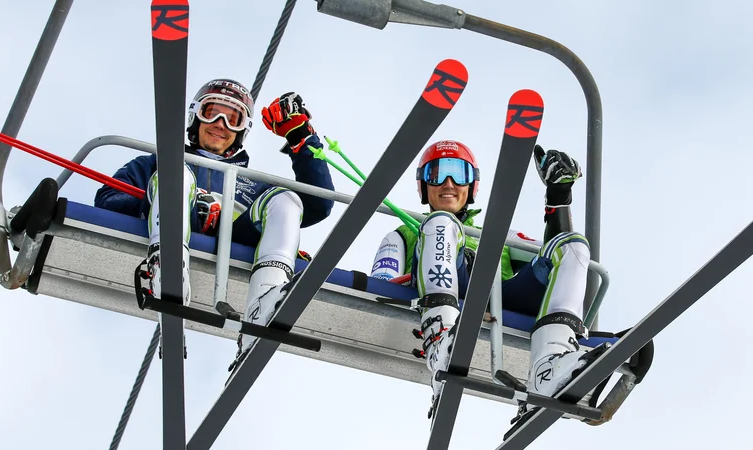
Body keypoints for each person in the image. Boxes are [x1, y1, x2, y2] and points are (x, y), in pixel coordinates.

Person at [94, 79, 335, 368]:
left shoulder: (253, 184)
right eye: (212, 113)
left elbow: (319, 205)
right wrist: (178, 208)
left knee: (285, 199)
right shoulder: (156, 163)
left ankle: (264, 302)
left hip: (238, 237)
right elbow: (108, 199)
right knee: (176, 173)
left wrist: (301, 138)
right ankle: (168, 269)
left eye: (232, 119)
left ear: (241, 130)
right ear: (196, 116)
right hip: (173, 226)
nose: (220, 124)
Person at [370, 140, 592, 420]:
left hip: (503, 295)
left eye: (458, 174)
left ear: (472, 185)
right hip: (446, 294)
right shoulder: (404, 234)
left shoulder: (499, 234)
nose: (448, 183)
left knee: (574, 245)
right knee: (441, 223)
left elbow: (551, 257)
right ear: (423, 185)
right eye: (436, 174)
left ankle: (549, 366)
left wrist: (559, 197)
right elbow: (380, 284)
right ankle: (440, 340)